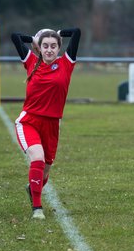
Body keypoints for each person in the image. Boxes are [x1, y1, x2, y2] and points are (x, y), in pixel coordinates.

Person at [11, 27, 81, 220]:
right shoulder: (32, 61)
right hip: (29, 121)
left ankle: (32, 188)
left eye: (53, 46)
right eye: (45, 46)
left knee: (45, 171)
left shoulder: (66, 64)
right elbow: (15, 36)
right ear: (39, 48)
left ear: (59, 48)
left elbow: (76, 32)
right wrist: (34, 39)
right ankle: (37, 209)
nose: (49, 49)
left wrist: (59, 32)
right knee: (38, 158)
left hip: (52, 125)